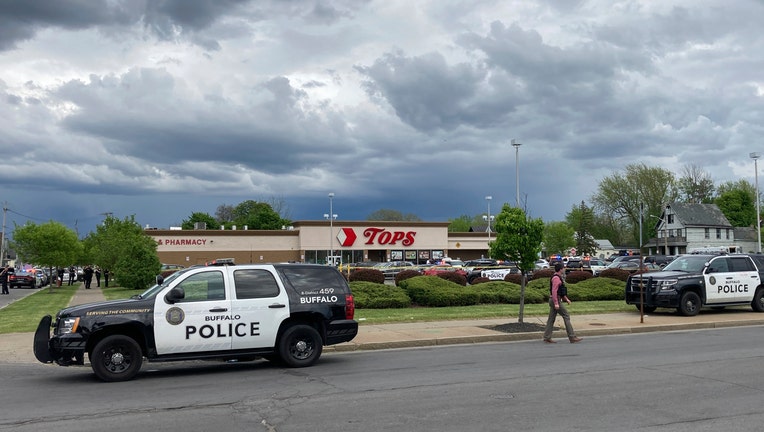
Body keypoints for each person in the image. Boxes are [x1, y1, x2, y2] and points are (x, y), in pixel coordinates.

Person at [543, 262, 582, 344]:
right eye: (563, 268)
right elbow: (554, 291)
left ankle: (547, 337)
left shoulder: (558, 277)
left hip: (554, 299)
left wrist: (566, 299)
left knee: (551, 319)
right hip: (555, 300)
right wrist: (556, 303)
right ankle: (572, 337)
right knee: (566, 315)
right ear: (560, 269)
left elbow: (561, 291)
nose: (564, 269)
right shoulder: (556, 278)